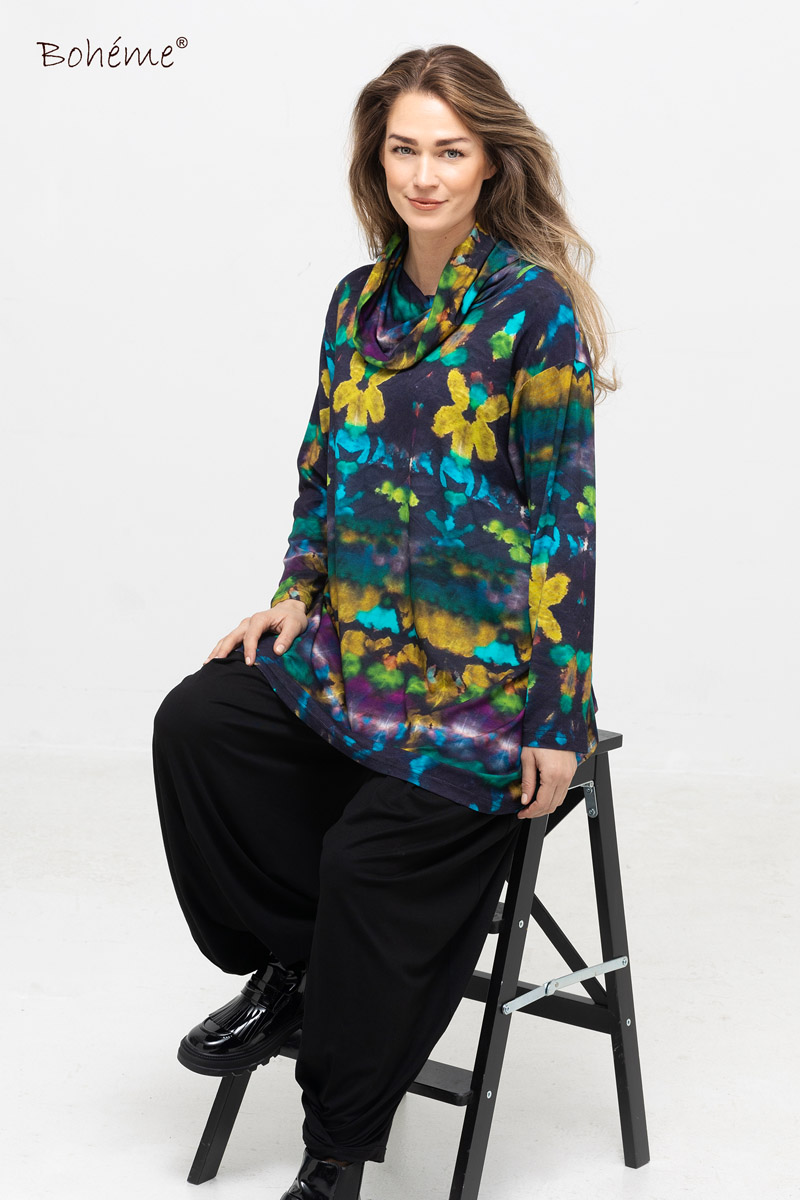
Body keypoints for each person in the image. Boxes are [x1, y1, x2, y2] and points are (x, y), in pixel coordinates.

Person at [152, 42, 616, 1200]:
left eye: (448, 151)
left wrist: (554, 720)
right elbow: (321, 472)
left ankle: (335, 1152)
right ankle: (295, 969)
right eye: (403, 149)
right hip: (355, 656)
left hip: (486, 686)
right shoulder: (354, 304)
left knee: (363, 863)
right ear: (378, 160)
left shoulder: (529, 309)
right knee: (200, 723)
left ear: (488, 161)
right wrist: (294, 597)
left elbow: (562, 524)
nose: (423, 174)